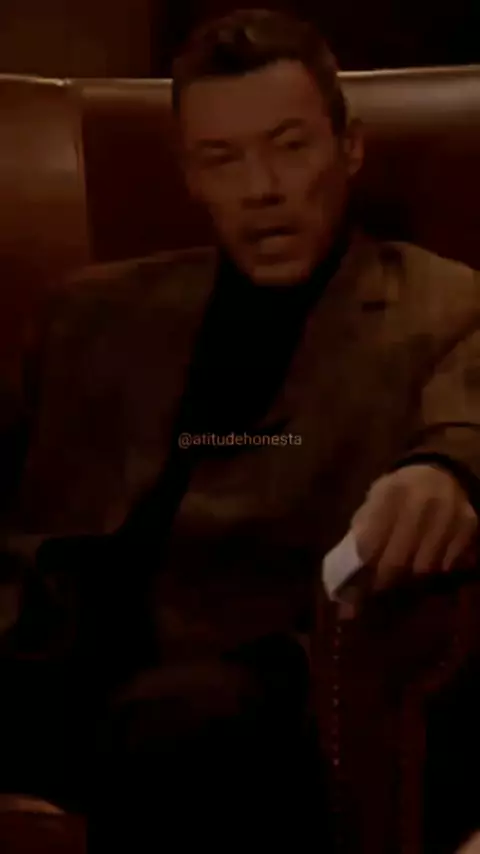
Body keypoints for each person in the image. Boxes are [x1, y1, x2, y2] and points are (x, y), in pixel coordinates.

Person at [0, 7, 480, 851]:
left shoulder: (442, 304)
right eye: (221, 159)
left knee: (178, 726)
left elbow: (473, 410)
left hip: (260, 678)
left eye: (290, 147)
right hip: (51, 657)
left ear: (349, 148)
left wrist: (447, 470)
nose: (261, 188)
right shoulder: (90, 312)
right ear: (189, 174)